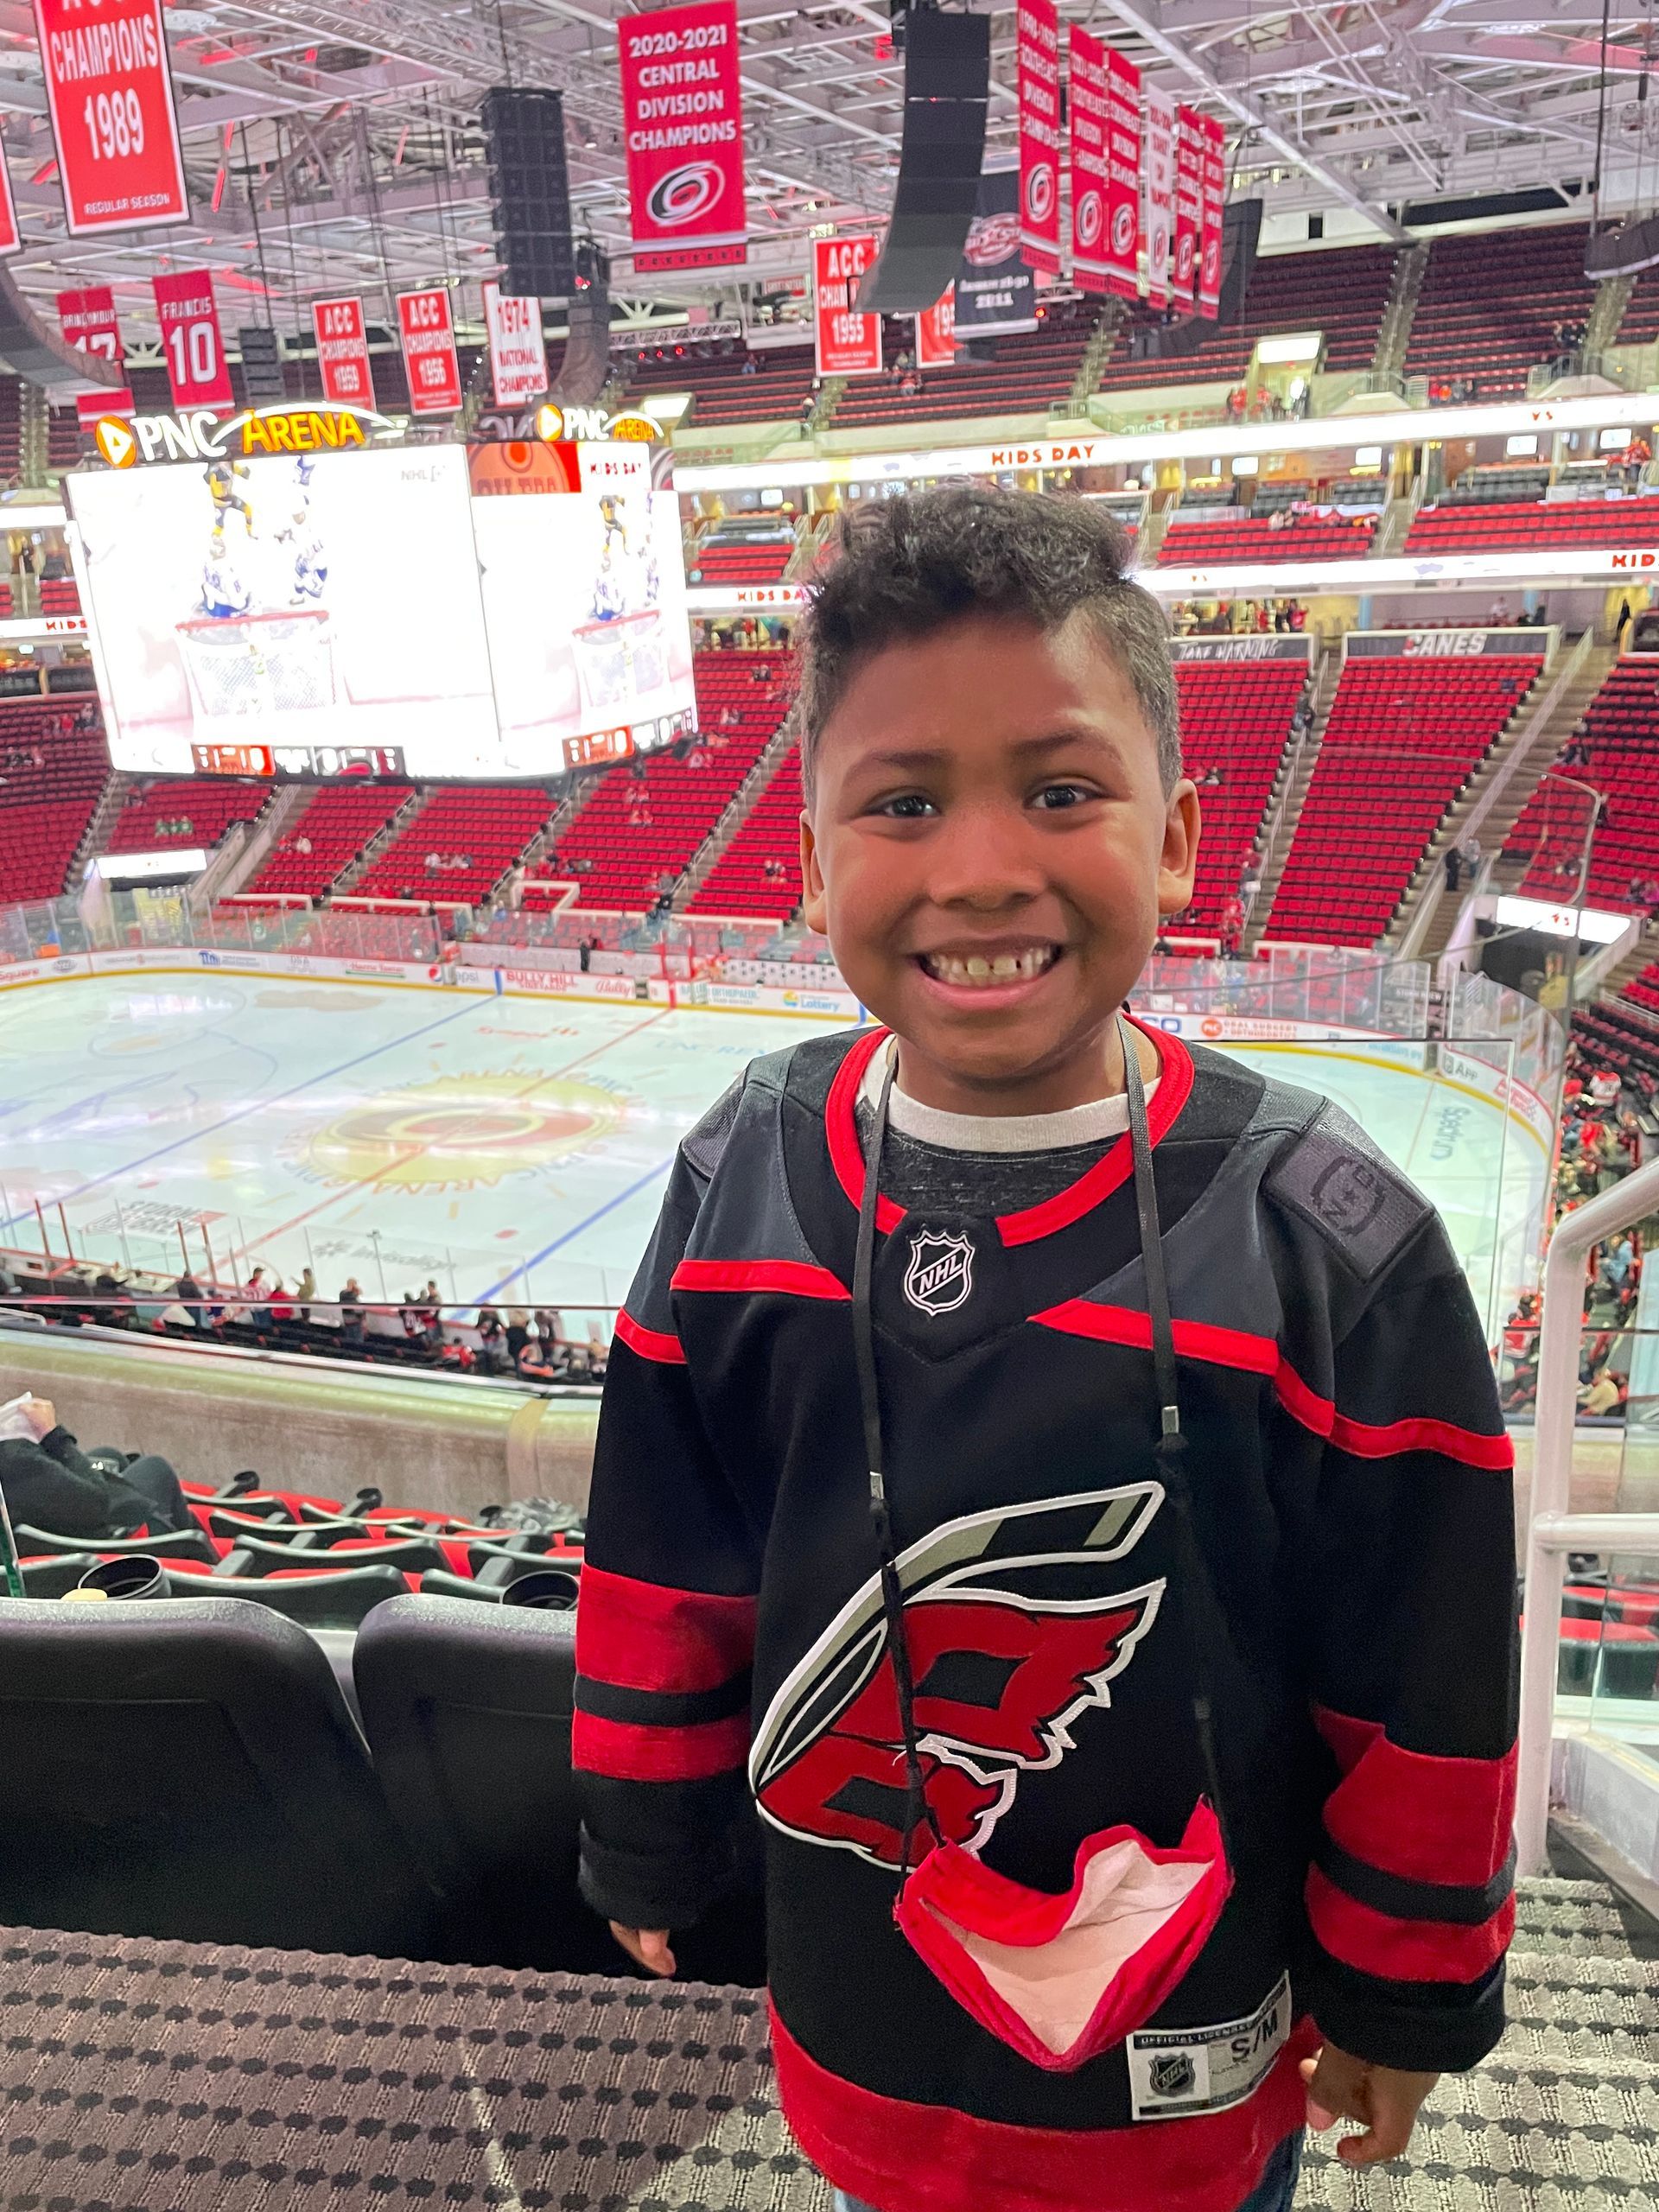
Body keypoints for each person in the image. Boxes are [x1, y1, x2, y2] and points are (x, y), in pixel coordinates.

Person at [572, 487, 1517, 2212]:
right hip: (862, 2031)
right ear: (812, 864)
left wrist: (1406, 1984)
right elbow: (663, 1555)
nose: (984, 867)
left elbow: (1423, 1665)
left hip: (1191, 2074)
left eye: (1063, 791)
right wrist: (648, 1828)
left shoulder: (1331, 1239)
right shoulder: (740, 1171)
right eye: (905, 802)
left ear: (1177, 838)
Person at [0, 1393, 194, 1539]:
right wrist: (51, 1434)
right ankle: (193, 1547)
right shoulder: (18, 1462)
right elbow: (96, 1502)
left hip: (57, 1518)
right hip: (112, 1538)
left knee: (110, 1456)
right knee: (156, 1468)